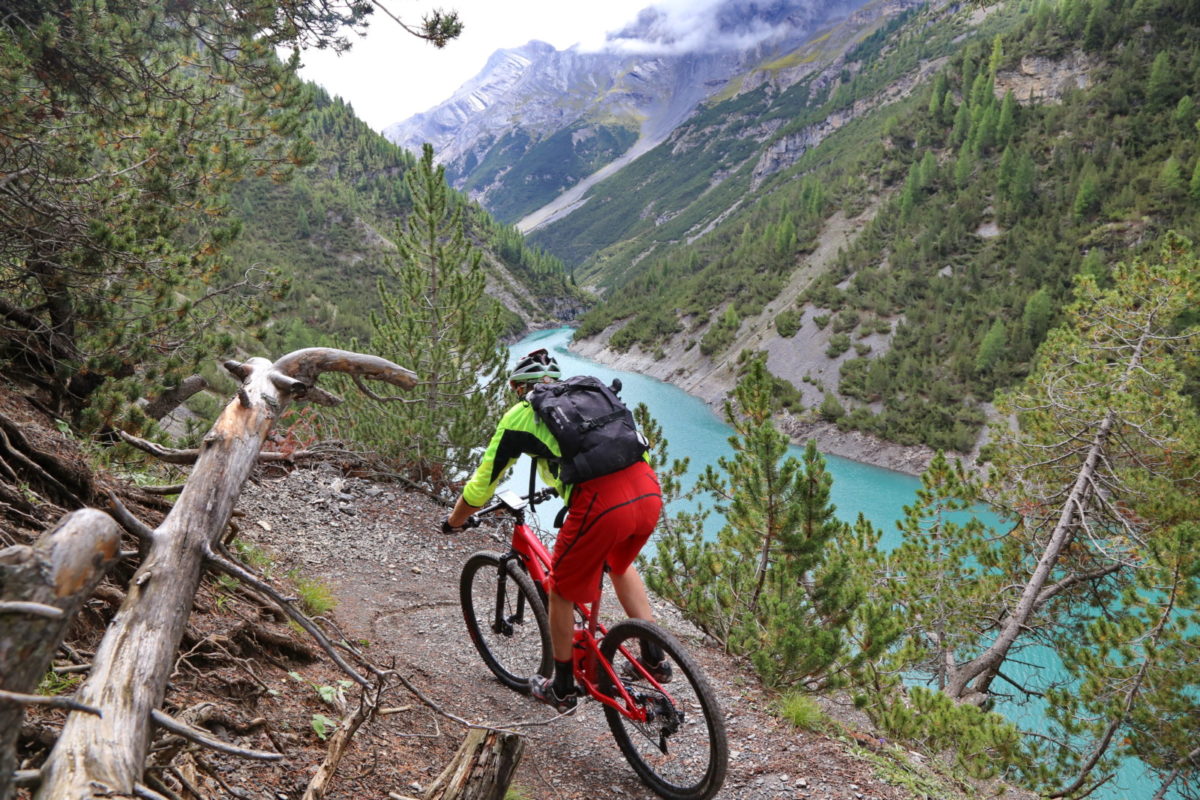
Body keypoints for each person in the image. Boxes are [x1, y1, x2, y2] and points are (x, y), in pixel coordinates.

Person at [443, 348, 668, 712]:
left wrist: (454, 521)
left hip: (602, 504)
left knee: (559, 590)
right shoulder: (588, 398)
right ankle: (655, 657)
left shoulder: (522, 414)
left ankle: (562, 687)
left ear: (518, 387)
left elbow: (483, 483)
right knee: (620, 564)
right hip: (648, 490)